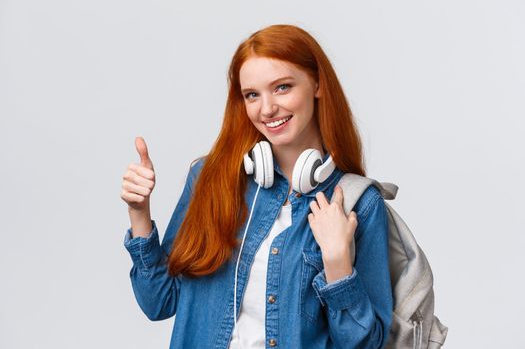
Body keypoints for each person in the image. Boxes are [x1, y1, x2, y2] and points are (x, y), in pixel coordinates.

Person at [120, 24, 393, 349]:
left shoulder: (359, 205)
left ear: (317, 84)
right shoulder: (211, 179)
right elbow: (158, 302)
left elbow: (364, 344)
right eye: (252, 95)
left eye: (282, 87)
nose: (266, 109)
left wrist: (337, 262)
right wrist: (139, 214)